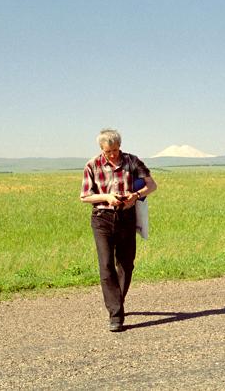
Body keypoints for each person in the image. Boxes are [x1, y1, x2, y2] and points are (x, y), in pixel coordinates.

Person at [80, 129, 157, 332]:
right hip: (102, 218)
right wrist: (107, 197)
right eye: (108, 151)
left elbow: (151, 185)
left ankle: (117, 301)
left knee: (126, 264)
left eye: (115, 150)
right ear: (101, 149)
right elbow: (85, 196)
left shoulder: (132, 161)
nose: (113, 154)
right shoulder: (92, 165)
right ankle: (116, 315)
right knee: (106, 265)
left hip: (126, 217)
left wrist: (136, 195)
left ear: (120, 146)